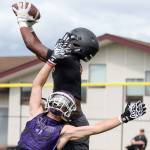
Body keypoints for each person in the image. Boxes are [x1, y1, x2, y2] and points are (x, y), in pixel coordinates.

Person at [12, 2, 99, 150]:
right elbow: (40, 52)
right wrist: (31, 27)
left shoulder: (67, 60)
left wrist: (22, 21)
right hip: (68, 120)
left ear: (78, 45)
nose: (67, 40)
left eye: (72, 38)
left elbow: (32, 45)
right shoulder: (70, 61)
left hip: (72, 123)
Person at [16, 58, 146, 150]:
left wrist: (123, 118)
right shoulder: (37, 113)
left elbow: (96, 129)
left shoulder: (63, 129)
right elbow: (37, 85)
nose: (60, 104)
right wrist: (51, 60)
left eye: (63, 103)